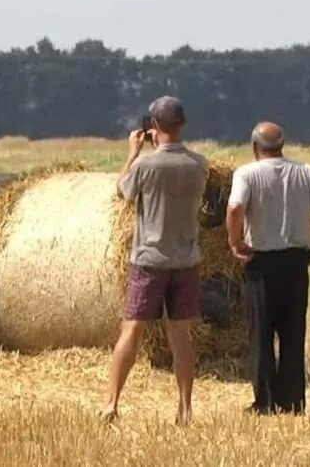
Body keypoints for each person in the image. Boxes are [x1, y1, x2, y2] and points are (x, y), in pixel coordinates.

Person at [100, 96, 209, 426]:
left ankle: (111, 402)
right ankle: (185, 408)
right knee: (181, 337)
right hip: (186, 260)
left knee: (131, 330)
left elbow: (123, 191)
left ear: (154, 126)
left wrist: (132, 153)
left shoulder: (147, 166)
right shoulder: (199, 164)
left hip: (149, 259)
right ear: (183, 125)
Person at [226, 121, 310, 415]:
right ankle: (292, 401)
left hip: (260, 262)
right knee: (292, 333)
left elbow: (236, 207)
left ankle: (265, 401)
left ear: (254, 147)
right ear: (282, 146)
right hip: (295, 263)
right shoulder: (305, 171)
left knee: (261, 334)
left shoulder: (246, 173)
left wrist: (234, 240)